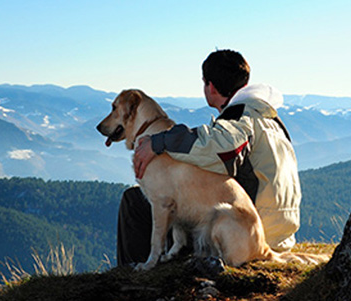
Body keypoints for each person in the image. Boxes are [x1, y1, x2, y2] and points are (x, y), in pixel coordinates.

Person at [116, 49, 302, 265]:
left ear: (210, 86)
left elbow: (221, 148)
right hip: (278, 234)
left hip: (246, 233)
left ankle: (136, 271)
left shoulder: (239, 119)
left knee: (136, 202)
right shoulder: (270, 120)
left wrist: (159, 142)